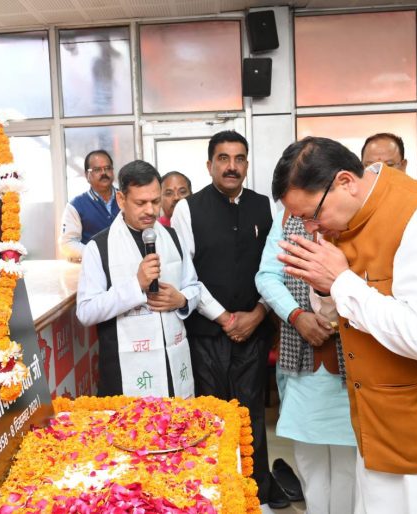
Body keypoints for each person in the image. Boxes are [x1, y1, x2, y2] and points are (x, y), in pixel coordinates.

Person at [274, 136, 417, 514]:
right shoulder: (343, 219)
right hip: (378, 430)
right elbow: (341, 317)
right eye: (301, 220)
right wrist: (324, 288)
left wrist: (341, 282)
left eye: (312, 215)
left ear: (345, 182)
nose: (310, 227)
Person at [171, 130, 288, 509]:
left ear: (247, 164)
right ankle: (215, 497)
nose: (231, 166)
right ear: (210, 165)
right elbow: (186, 273)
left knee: (251, 415)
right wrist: (223, 318)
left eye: (239, 159)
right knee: (212, 416)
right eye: (223, 158)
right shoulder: (188, 209)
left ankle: (257, 495)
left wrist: (259, 313)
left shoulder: (264, 206)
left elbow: (276, 267)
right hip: (206, 332)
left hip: (254, 329)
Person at [256, 207, 356, 514]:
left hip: (353, 358)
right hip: (302, 358)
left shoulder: (354, 212)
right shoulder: (288, 218)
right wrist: (296, 315)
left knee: (349, 463)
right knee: (310, 462)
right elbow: (267, 276)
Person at [76, 160, 200, 398]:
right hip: (125, 372)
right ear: (121, 200)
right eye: (141, 203)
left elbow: (194, 286)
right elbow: (86, 311)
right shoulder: (98, 247)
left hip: (173, 364)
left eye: (155, 201)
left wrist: (182, 300)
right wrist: (136, 286)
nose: (151, 211)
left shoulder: (173, 237)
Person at [59, 150, 120, 263]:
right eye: (97, 169)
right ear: (87, 175)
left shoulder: (126, 198)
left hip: (127, 265)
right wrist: (97, 254)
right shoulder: (76, 205)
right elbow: (67, 243)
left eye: (107, 168)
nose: (104, 173)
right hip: (94, 266)